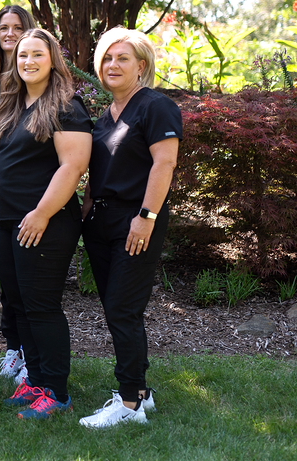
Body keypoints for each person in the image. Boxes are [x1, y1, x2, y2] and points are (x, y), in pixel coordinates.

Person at [0, 29, 91, 419]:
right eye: (22, 55)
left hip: (46, 222)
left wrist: (41, 213)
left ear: (52, 60)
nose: (28, 61)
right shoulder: (7, 106)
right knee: (21, 306)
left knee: (41, 307)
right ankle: (36, 381)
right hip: (4, 221)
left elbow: (72, 167)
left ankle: (57, 391)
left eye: (37, 54)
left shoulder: (66, 107)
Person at [78, 27, 181, 429]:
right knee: (119, 309)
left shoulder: (155, 107)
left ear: (142, 66)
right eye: (106, 58)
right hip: (100, 222)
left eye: (122, 58)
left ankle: (129, 404)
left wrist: (147, 217)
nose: (112, 65)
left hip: (136, 219)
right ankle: (142, 393)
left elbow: (164, 165)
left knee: (122, 308)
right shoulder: (106, 117)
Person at [0, 4, 38, 384]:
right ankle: (13, 349)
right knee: (6, 276)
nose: (10, 34)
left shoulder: (36, 78)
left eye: (18, 28)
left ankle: (29, 353)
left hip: (29, 191)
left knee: (26, 280)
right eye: (4, 28)